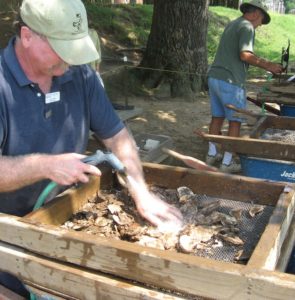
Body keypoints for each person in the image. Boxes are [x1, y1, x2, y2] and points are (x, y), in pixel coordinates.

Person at [0, 0, 182, 297]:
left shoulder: (80, 75)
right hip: (9, 241)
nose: (69, 62)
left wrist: (141, 192)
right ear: (27, 35)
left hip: (66, 222)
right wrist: (45, 165)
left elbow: (117, 137)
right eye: (62, 49)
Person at [206, 0, 283, 173]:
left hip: (214, 78)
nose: (259, 26)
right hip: (232, 82)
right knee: (235, 121)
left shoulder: (233, 24)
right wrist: (269, 65)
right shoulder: (247, 27)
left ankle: (211, 155)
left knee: (217, 117)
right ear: (256, 14)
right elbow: (245, 54)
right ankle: (226, 163)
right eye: (261, 22)